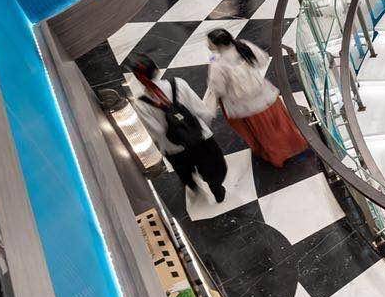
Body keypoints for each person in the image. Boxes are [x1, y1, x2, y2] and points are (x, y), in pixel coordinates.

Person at [125, 52, 227, 202]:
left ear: (138, 78)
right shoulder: (178, 83)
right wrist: (199, 129)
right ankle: (216, 190)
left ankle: (194, 187)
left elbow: (158, 132)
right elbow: (203, 112)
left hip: (174, 149)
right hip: (200, 140)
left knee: (186, 173)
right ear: (156, 69)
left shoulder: (141, 103)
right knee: (212, 168)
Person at [201, 28, 307, 167]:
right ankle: (294, 145)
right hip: (265, 95)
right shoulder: (243, 45)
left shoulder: (218, 64)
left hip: (245, 107)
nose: (207, 44)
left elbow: (218, 88)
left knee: (265, 133)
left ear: (216, 44)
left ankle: (278, 156)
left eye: (209, 42)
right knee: (279, 125)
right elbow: (262, 60)